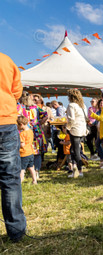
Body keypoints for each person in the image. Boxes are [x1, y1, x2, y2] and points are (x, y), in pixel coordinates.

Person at [0, 52, 26, 242]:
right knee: (9, 178)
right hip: (5, 121)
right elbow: (17, 91)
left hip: (6, 121)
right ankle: (16, 231)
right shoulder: (6, 59)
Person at [18, 92, 48, 178]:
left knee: (24, 150)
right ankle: (36, 171)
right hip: (36, 132)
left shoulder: (20, 107)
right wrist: (39, 122)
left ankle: (23, 171)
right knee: (36, 152)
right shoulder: (36, 107)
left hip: (24, 131)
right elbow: (45, 115)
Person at [66, 89, 88, 178]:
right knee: (73, 149)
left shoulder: (71, 105)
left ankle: (80, 171)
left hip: (75, 129)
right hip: (82, 129)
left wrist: (68, 127)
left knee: (76, 151)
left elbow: (71, 119)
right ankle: (74, 168)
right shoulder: (83, 106)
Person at [17, 116, 37, 184]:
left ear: (21, 124)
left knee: (21, 169)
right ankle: (35, 180)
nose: (17, 127)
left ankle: (19, 181)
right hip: (30, 152)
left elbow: (22, 145)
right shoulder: (30, 131)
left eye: (18, 125)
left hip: (23, 154)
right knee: (31, 167)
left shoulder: (22, 134)